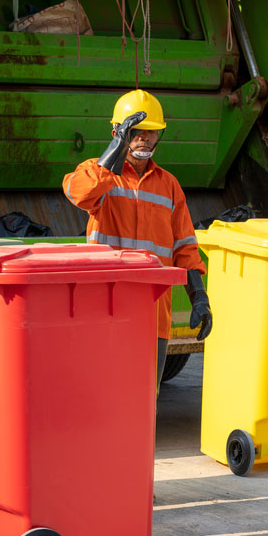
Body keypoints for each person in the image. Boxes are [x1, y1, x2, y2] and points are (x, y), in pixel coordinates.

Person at [63, 89, 212, 392]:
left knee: (144, 402)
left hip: (153, 317)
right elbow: (76, 192)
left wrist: (200, 297)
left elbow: (185, 248)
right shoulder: (100, 175)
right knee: (101, 396)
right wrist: (113, 152)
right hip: (105, 311)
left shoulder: (169, 186)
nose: (143, 139)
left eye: (150, 133)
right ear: (118, 132)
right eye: (135, 132)